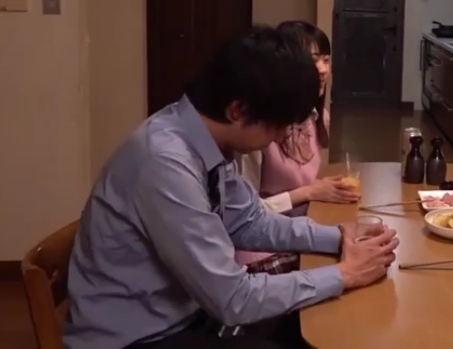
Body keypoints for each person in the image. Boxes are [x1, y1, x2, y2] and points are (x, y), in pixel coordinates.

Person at [63, 25, 399, 349]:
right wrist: (344, 274)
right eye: (277, 126)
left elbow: (250, 221)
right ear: (238, 110)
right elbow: (233, 299)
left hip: (189, 312)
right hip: (141, 337)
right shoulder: (165, 162)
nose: (280, 137)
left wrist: (339, 237)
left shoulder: (204, 138)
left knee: (324, 323)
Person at [234, 21, 359, 274]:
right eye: (314, 60)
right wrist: (308, 192)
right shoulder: (258, 130)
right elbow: (243, 215)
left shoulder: (318, 118)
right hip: (262, 250)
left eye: (326, 60)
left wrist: (325, 189)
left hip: (301, 233)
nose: (322, 69)